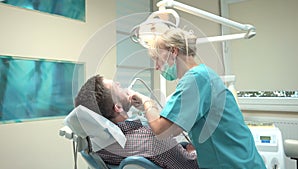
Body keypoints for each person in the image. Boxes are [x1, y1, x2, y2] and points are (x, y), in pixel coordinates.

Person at [130, 28, 266, 169]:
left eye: (157, 58)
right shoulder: (203, 75)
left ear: (174, 51)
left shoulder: (195, 80)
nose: (157, 67)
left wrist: (147, 102)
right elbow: (175, 129)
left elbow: (162, 131)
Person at [74, 74, 199, 169]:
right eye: (117, 87)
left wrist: (146, 112)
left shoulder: (95, 146)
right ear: (118, 107)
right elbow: (192, 165)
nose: (118, 83)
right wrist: (148, 103)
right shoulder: (154, 140)